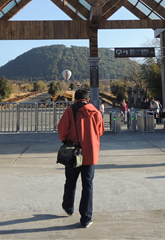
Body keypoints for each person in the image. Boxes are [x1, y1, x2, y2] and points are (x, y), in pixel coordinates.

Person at [57, 89, 105, 228]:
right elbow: (100, 131)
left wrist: (66, 141)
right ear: (88, 99)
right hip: (90, 154)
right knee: (88, 185)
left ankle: (68, 207)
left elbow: (62, 130)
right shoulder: (95, 112)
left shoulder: (70, 110)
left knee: (70, 181)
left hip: (73, 154)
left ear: (75, 99)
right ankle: (86, 218)